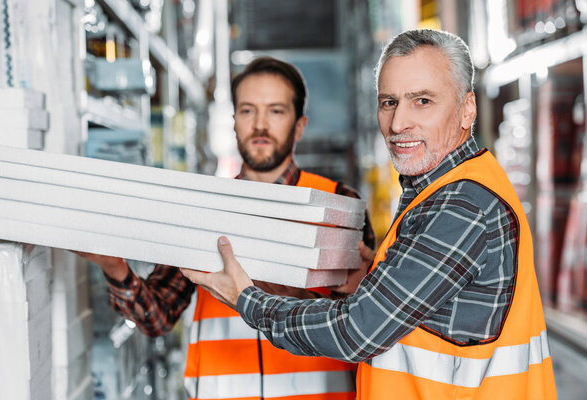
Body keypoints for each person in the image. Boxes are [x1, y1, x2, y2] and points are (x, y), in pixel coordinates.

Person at [183, 29, 558, 400]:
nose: (397, 124)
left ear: (467, 109)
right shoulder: (441, 191)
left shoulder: (462, 206)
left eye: (422, 101)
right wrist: (372, 280)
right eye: (389, 102)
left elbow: (356, 331)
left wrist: (246, 299)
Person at [78, 56, 375, 400]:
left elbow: (367, 321)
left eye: (276, 111)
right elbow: (157, 317)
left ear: (299, 125)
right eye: (248, 111)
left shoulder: (338, 206)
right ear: (234, 122)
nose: (260, 124)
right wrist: (115, 268)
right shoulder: (204, 210)